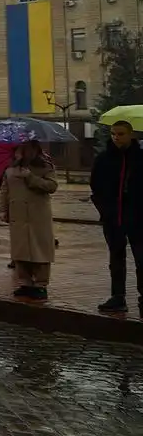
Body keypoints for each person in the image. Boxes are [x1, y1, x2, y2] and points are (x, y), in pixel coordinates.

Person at [89, 120, 143, 312]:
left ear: (130, 135)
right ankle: (118, 296)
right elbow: (95, 185)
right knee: (116, 259)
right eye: (113, 133)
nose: (116, 137)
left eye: (120, 134)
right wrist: (105, 209)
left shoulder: (139, 158)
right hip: (113, 219)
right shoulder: (104, 159)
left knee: (141, 259)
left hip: (137, 218)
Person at [0, 140, 58, 299]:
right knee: (20, 250)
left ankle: (40, 284)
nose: (17, 152)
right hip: (18, 215)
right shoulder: (11, 169)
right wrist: (3, 210)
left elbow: (52, 186)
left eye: (20, 149)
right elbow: (5, 190)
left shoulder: (44, 166)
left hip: (37, 215)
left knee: (40, 249)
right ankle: (25, 283)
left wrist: (31, 177)